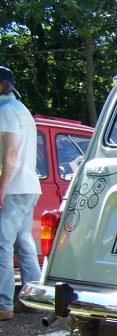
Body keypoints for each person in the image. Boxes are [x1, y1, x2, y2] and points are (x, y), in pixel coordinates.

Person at [0, 66, 41, 321]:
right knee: (24, 243)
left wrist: (2, 186)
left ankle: (4, 305)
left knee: (1, 245)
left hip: (14, 188)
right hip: (30, 186)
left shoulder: (5, 112)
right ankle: (33, 298)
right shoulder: (23, 110)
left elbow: (11, 152)